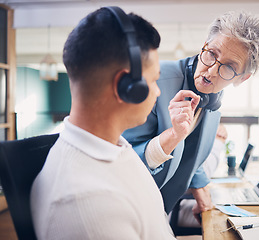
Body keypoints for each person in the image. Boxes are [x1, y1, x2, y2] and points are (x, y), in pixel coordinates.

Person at [30, 6, 175, 239]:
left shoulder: (115, 148)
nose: (158, 92)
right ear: (126, 87)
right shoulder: (88, 203)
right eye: (154, 80)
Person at [123, 10, 259, 221]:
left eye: (229, 67)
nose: (212, 71)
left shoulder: (213, 101)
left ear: (242, 79)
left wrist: (201, 190)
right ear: (204, 44)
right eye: (212, 54)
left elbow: (192, 156)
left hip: (162, 209)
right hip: (131, 208)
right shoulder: (155, 80)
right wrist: (172, 136)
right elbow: (121, 161)